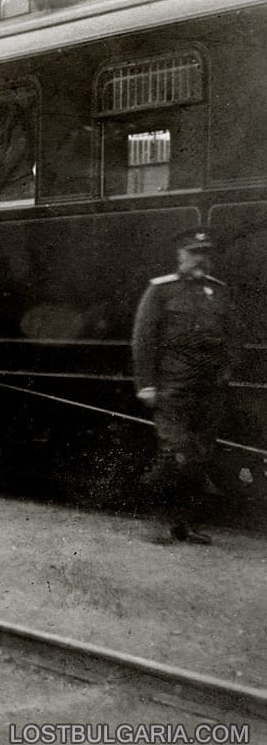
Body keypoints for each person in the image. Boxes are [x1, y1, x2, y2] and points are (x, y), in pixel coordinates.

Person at [132, 226, 235, 545]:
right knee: (177, 454)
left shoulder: (218, 291)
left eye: (205, 254)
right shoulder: (161, 290)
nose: (199, 260)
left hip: (208, 390)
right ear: (180, 256)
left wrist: (226, 372)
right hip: (172, 387)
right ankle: (151, 512)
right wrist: (146, 384)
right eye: (193, 254)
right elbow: (143, 340)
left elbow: (232, 338)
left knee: (200, 457)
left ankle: (184, 525)